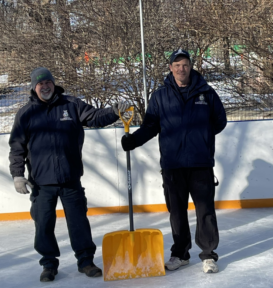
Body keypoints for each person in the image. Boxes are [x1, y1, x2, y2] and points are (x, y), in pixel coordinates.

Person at [9, 67, 130, 282]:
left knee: (78, 222)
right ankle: (48, 264)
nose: (45, 86)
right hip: (41, 182)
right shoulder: (25, 113)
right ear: (33, 87)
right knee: (43, 224)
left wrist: (114, 111)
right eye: (40, 84)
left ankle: (85, 261)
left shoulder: (71, 105)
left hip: (70, 178)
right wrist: (18, 175)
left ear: (53, 83)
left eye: (48, 82)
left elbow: (94, 117)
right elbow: (17, 147)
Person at [121, 49, 227, 274]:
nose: (181, 69)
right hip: (172, 164)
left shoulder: (206, 93)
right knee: (176, 211)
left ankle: (208, 255)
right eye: (177, 65)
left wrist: (202, 139)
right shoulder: (160, 96)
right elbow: (151, 126)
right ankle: (180, 253)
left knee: (205, 210)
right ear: (170, 68)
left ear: (191, 67)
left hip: (200, 164)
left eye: (185, 64)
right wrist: (134, 140)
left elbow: (220, 121)